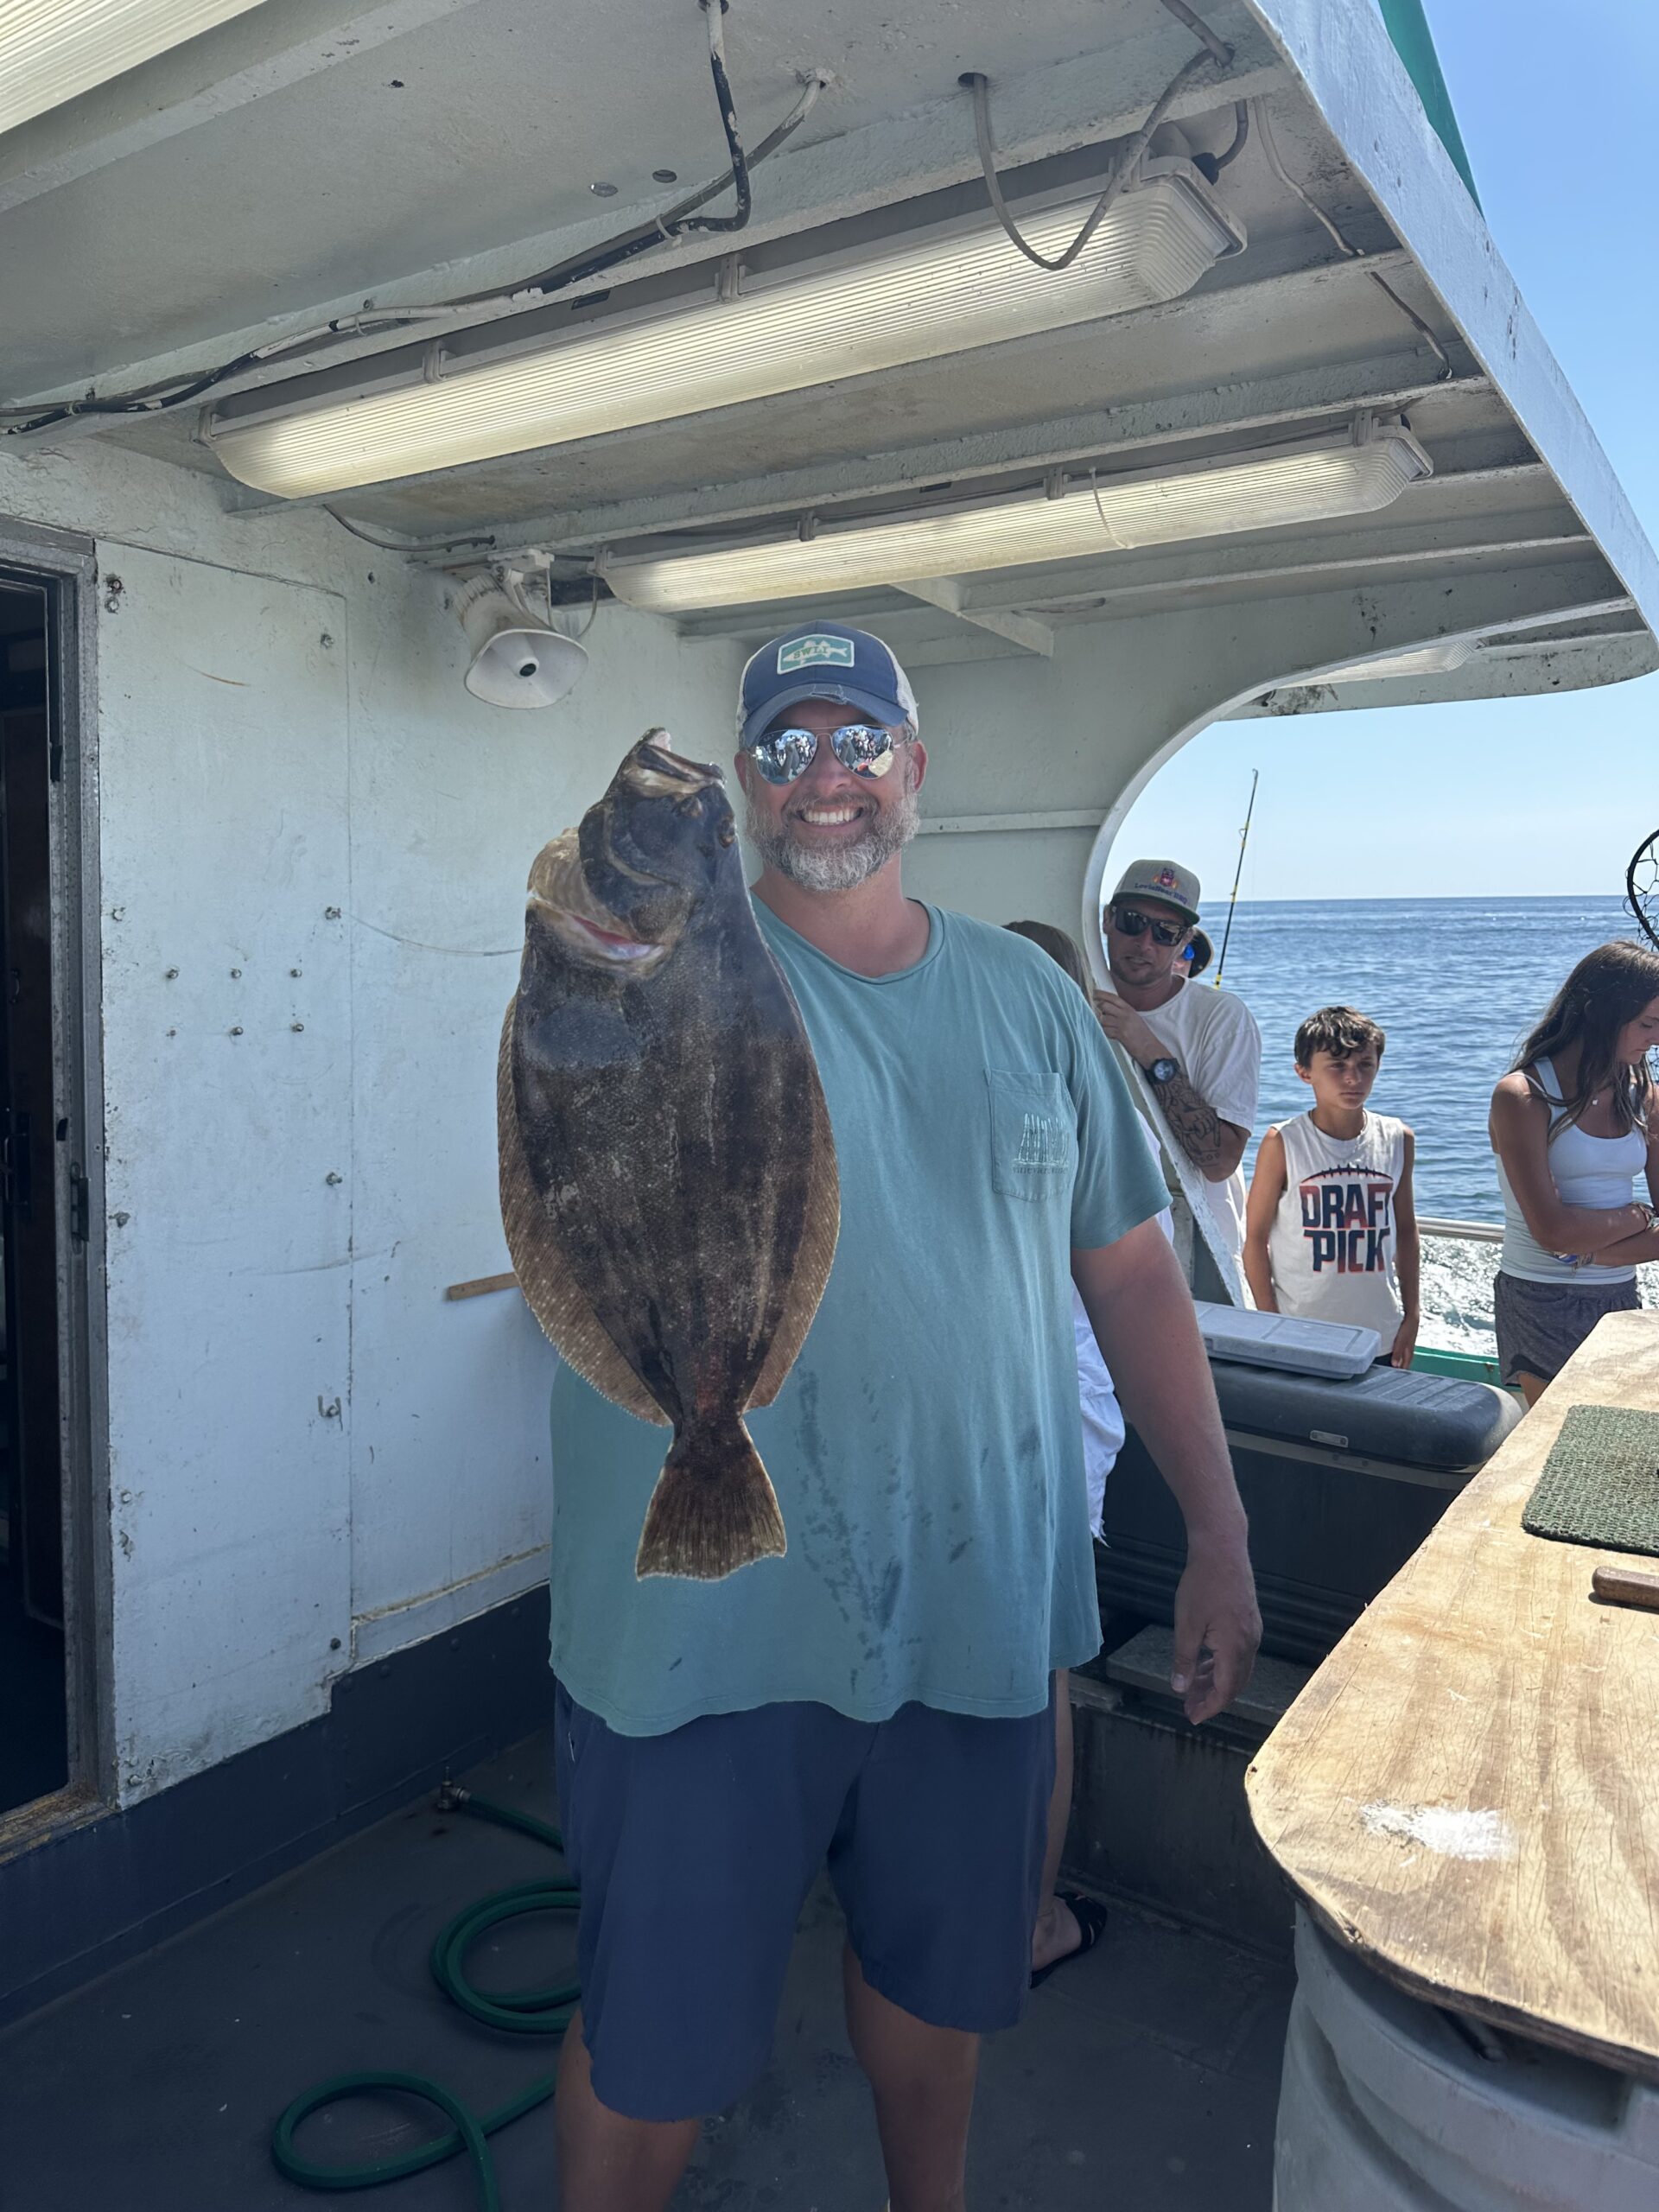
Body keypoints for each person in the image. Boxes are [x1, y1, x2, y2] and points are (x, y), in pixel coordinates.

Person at [547, 620, 1261, 2212]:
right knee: (647, 2040)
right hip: (695, 1625)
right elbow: (570, 1099)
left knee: (943, 2000)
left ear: (915, 770)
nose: (826, 777)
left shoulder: (1029, 998)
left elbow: (1137, 1278)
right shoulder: (655, 960)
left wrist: (1216, 1528)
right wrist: (615, 903)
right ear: (745, 788)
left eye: (858, 741)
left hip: (971, 1608)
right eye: (787, 748)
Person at [1004, 918, 1174, 1986]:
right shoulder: (1089, 1106)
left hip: (1050, 1418)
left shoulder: (1052, 1109)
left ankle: (1026, 1921)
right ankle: (1021, 1916)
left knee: (1035, 1678)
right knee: (1034, 1680)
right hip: (1017, 1414)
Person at [1488, 942, 1659, 1406]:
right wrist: (1639, 1216)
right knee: (1559, 1445)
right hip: (1540, 1298)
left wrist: (1597, 1256)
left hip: (1619, 1296)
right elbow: (1554, 1232)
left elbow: (1570, 1237)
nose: (1656, 1038)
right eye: (1647, 1023)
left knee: (1615, 1444)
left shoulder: (1645, 1096)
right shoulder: (1523, 1095)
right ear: (1598, 1013)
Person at [1094, 860, 1262, 1269]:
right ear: (1107, 919)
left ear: (1184, 939)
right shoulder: (1072, 997)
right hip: (1094, 1233)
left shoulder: (1222, 1018)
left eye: (1166, 932)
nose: (1146, 943)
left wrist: (1144, 1044)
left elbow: (1220, 1162)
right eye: (1133, 922)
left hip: (1193, 1247)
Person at [1243, 1006, 1421, 1367]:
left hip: (1379, 1333)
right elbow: (1255, 1239)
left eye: (1364, 1065)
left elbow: (1405, 1230)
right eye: (1337, 1067)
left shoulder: (1397, 1138)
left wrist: (1412, 1315)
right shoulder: (1284, 1142)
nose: (1353, 1078)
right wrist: (1272, 1323)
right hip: (1301, 1333)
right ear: (1304, 1073)